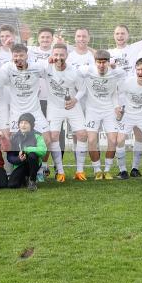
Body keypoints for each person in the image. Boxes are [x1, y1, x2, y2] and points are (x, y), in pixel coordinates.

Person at [78, 50, 127, 179]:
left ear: (108, 62)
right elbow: (73, 72)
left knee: (113, 140)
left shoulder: (115, 72)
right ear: (95, 62)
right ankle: (97, 170)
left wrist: (117, 106)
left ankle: (107, 170)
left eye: (104, 62)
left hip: (109, 110)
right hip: (92, 110)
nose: (101, 65)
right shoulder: (87, 70)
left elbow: (122, 76)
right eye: (98, 62)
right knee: (92, 140)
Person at [44, 43, 88, 181]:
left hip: (72, 107)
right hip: (54, 108)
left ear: (67, 56)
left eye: (61, 55)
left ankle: (80, 171)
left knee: (81, 135)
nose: (58, 57)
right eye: (56, 54)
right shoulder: (46, 68)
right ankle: (60, 171)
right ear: (52, 55)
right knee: (53, 136)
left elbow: (82, 89)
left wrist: (75, 100)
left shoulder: (74, 71)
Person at [6, 113, 47, 191]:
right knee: (12, 185)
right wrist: (18, 159)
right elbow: (10, 156)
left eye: (26, 123)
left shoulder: (37, 135)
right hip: (20, 164)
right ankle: (24, 178)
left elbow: (43, 150)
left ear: (31, 125)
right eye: (21, 123)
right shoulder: (15, 137)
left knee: (32, 155)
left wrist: (26, 149)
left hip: (33, 164)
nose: (23, 125)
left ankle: (32, 180)